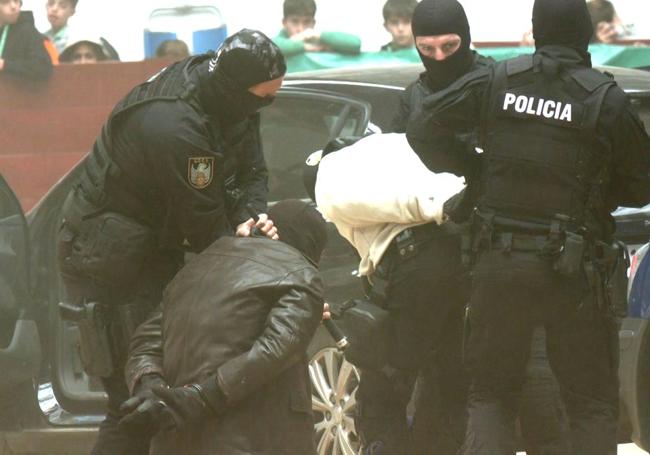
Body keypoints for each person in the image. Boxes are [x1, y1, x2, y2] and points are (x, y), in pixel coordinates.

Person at [418, 0, 650, 453]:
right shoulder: (605, 98)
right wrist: (595, 198)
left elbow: (423, 126)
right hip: (574, 272)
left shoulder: (497, 80)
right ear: (586, 32)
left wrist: (478, 174)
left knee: (491, 397)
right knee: (590, 405)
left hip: (498, 262)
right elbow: (643, 182)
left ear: (535, 30)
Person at [56, 29, 285, 455]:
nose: (266, 105)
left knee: (163, 398)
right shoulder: (176, 125)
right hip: (110, 260)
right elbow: (203, 224)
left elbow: (252, 171)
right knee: (137, 403)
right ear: (239, 90)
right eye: (263, 97)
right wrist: (239, 240)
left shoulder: (231, 94)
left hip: (155, 249)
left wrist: (253, 218)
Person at [117, 199, 328, 455]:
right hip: (249, 440)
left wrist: (152, 391)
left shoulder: (196, 266)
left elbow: (145, 341)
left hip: (175, 439)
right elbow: (277, 346)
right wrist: (202, 398)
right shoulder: (301, 273)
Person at [308, 133, 466, 455]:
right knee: (446, 377)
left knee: (386, 379)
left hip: (415, 262)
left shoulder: (331, 181)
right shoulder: (394, 152)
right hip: (458, 253)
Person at [273, 0, 361, 57]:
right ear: (284, 23)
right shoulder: (276, 43)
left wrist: (318, 35)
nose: (300, 29)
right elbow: (273, 49)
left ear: (313, 23)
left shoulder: (319, 41)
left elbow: (355, 44)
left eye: (306, 22)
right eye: (295, 21)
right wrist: (304, 47)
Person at [0, 0, 53, 80]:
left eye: (16, 1)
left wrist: (5, 65)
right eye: (5, 2)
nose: (14, 6)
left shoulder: (27, 30)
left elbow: (43, 66)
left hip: (17, 90)